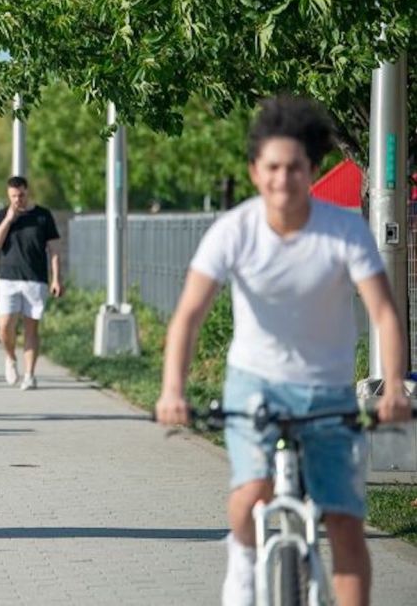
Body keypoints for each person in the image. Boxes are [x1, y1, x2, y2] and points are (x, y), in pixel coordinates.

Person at [156, 96, 412, 606]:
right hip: (256, 382)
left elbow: (384, 312)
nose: (282, 178)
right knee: (252, 491)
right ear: (255, 171)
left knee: (343, 521)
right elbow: (188, 314)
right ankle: (244, 560)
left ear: (312, 170)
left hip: (328, 391)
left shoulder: (344, 230)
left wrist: (394, 388)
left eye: (294, 167)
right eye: (272, 167)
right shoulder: (235, 230)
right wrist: (171, 390)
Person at [0, 176, 63, 390]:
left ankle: (29, 375)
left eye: (21, 195)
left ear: (27, 192)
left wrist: (56, 278)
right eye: (13, 196)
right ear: (8, 195)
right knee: (4, 327)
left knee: (31, 329)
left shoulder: (43, 215)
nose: (18, 199)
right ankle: (10, 358)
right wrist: (9, 220)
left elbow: (55, 250)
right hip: (7, 280)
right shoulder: (2, 215)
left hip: (35, 280)